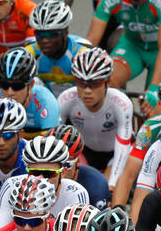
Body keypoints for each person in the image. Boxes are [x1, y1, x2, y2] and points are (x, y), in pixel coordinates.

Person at [56, 47, 134, 183]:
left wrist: (111, 185)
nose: (87, 90)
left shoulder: (121, 103)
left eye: (95, 83)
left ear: (107, 82)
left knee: (105, 187)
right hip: (85, 153)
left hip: (115, 154)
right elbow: (55, 139)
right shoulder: (66, 99)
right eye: (81, 83)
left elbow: (122, 149)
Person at [28, 0, 91, 96]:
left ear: (65, 33)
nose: (44, 40)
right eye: (40, 34)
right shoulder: (30, 52)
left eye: (51, 34)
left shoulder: (82, 53)